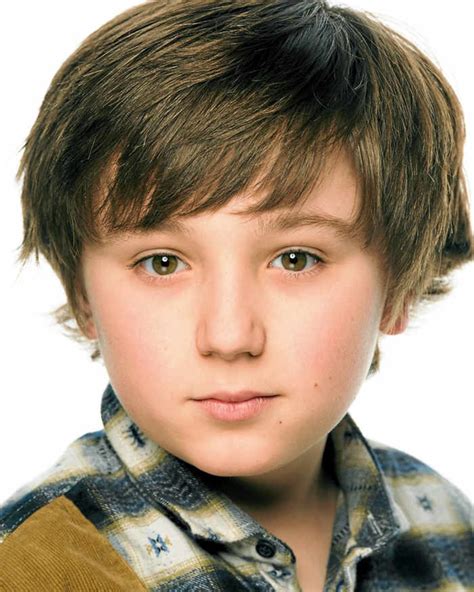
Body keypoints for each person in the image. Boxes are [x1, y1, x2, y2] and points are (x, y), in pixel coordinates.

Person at [0, 0, 472, 590]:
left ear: (398, 287)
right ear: (83, 296)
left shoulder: (445, 524)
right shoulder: (34, 567)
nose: (228, 336)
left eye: (296, 259)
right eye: (162, 263)